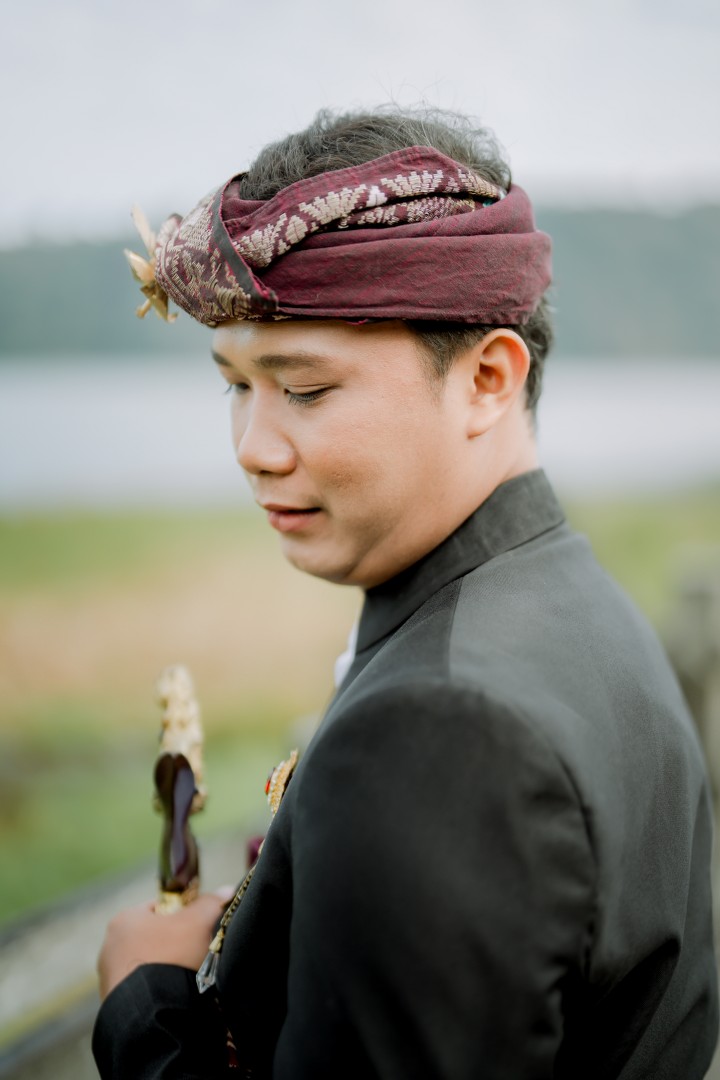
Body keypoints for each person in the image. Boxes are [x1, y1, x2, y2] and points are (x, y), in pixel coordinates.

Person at [93, 107, 718, 1079]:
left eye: (304, 389)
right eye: (236, 385)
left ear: (487, 378)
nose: (253, 448)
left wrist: (144, 1010)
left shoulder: (441, 734)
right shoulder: (568, 595)